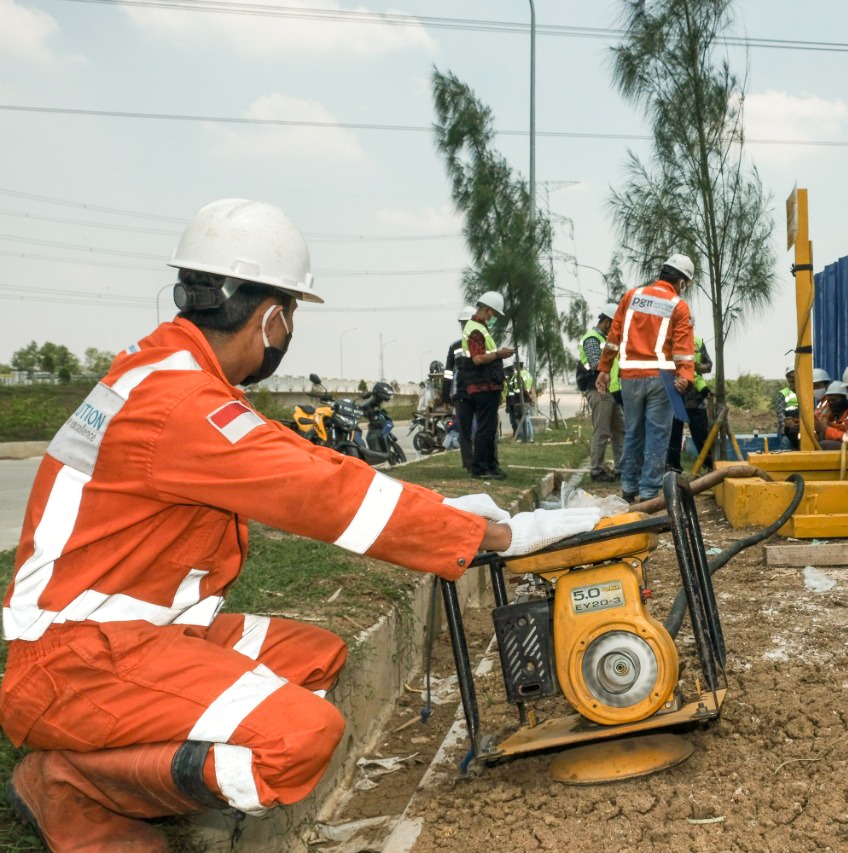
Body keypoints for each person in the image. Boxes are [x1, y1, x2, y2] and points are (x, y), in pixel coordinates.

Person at [0, 199, 602, 851]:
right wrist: (498, 536)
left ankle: (123, 775)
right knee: (299, 735)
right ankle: (72, 782)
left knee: (315, 657)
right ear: (271, 317)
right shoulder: (178, 403)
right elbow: (320, 492)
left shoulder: (167, 375)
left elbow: (302, 460)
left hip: (127, 633)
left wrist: (450, 514)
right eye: (290, 316)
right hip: (77, 661)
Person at [596, 253, 697, 502]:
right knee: (657, 435)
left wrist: (604, 369)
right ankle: (650, 492)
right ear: (681, 282)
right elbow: (683, 347)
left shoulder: (632, 296)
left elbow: (614, 335)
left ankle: (629, 488)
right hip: (661, 378)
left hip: (630, 377)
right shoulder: (678, 306)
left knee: (633, 432)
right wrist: (684, 375)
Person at [455, 292, 514, 479]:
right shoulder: (475, 330)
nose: (494, 318)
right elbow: (478, 358)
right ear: (487, 310)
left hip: (487, 385)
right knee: (485, 429)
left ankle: (490, 466)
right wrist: (499, 354)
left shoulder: (480, 328)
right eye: (494, 314)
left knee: (489, 428)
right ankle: (480, 468)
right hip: (482, 386)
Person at [580, 303, 624, 482]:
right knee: (602, 431)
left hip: (611, 391)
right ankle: (597, 470)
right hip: (599, 391)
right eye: (614, 324)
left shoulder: (610, 341)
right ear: (606, 322)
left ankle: (622, 468)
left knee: (621, 430)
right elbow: (595, 363)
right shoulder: (592, 338)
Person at [666, 316, 713, 474]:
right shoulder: (670, 342)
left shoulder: (698, 342)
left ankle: (708, 466)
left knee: (701, 434)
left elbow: (709, 366)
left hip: (696, 398)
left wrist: (695, 367)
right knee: (674, 434)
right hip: (676, 396)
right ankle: (673, 467)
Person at [443, 306, 472, 470]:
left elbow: (448, 374)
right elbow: (447, 373)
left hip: (464, 394)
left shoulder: (455, 347)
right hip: (467, 394)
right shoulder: (455, 347)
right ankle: (472, 464)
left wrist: (446, 397)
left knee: (467, 431)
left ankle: (471, 464)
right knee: (470, 431)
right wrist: (446, 396)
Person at [504, 359, 535, 442]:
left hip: (520, 399)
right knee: (526, 419)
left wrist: (530, 398)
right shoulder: (528, 374)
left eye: (514, 365)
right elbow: (531, 386)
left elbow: (522, 387)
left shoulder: (519, 375)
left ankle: (525, 438)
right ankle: (529, 438)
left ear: (517, 365)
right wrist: (531, 398)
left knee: (522, 420)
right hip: (525, 399)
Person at [775, 364, 800, 450]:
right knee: (786, 445)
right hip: (787, 429)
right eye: (790, 377)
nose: (792, 379)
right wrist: (785, 426)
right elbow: (780, 414)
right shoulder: (783, 393)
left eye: (794, 376)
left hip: (801, 428)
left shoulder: (806, 391)